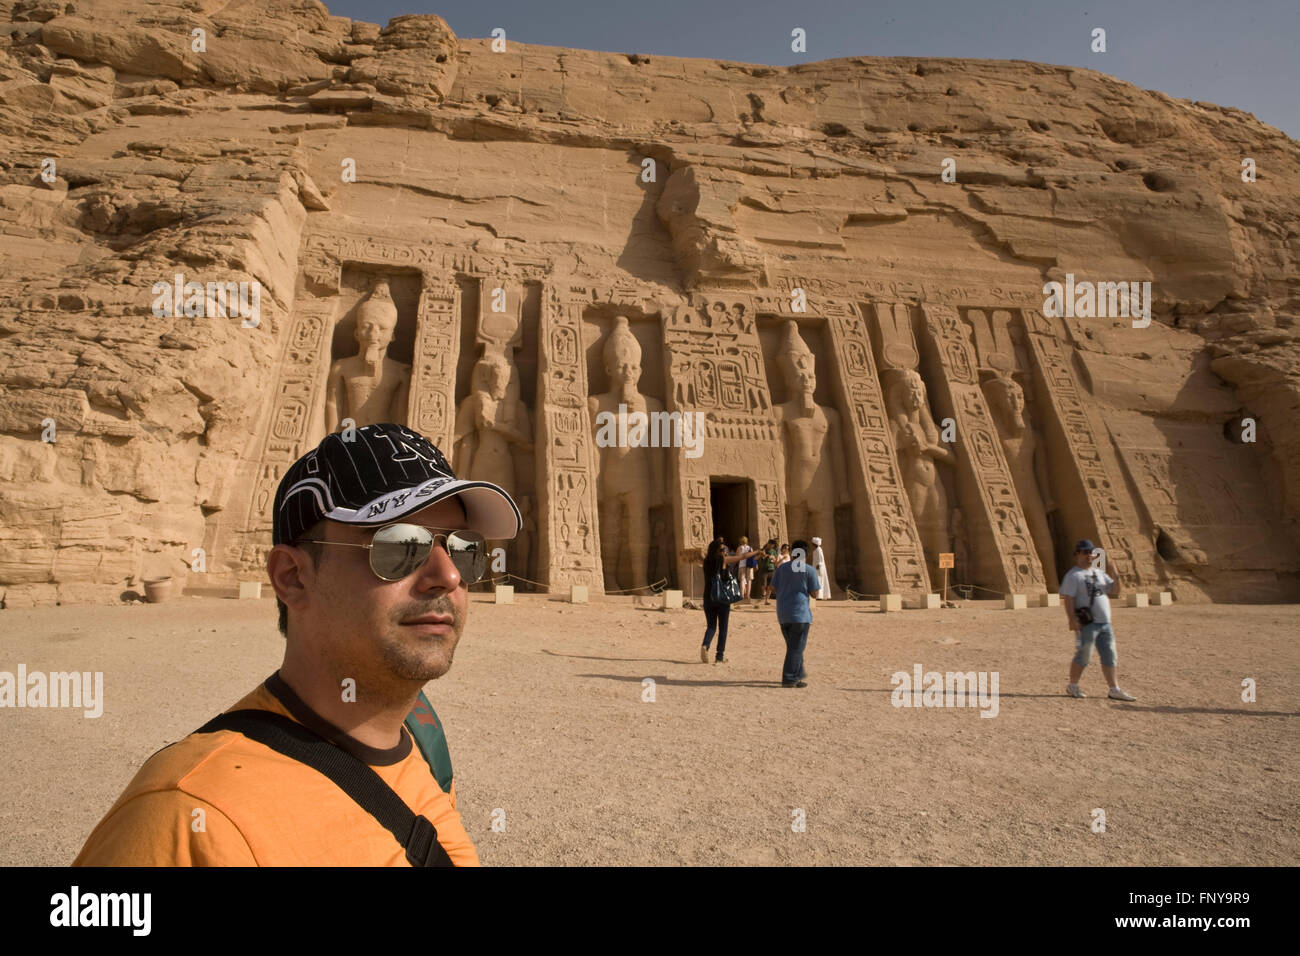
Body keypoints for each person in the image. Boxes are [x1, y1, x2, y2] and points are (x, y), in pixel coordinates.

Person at [74, 423, 521, 866]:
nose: (448, 576)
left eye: (464, 548)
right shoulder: (190, 816)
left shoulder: (422, 741)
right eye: (400, 545)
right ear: (292, 577)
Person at [1059, 538, 1136, 701]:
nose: (1089, 555)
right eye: (1085, 552)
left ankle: (1114, 688)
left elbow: (1115, 590)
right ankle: (1073, 685)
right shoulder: (1073, 575)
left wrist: (1115, 573)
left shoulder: (1099, 573)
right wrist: (1071, 619)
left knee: (1109, 655)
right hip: (1087, 622)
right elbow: (1069, 598)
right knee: (1084, 655)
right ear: (1077, 554)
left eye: (1091, 553)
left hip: (1105, 622)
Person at [771, 539, 821, 688]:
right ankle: (790, 678)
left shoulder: (781, 569)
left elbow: (773, 588)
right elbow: (814, 594)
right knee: (796, 648)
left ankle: (798, 673)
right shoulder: (809, 570)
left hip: (783, 613)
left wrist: (786, 589)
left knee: (794, 647)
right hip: (800, 614)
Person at [700, 538, 751, 664]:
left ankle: (705, 645)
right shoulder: (722, 560)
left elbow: (699, 555)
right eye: (723, 549)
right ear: (718, 551)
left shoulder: (706, 561)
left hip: (708, 597)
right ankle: (719, 656)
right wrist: (757, 552)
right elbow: (742, 557)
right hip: (722, 598)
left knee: (711, 626)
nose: (725, 551)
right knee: (723, 628)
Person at [757, 538, 778, 606]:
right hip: (764, 569)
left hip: (771, 569)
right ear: (768, 543)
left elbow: (775, 561)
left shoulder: (774, 551)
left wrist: (773, 559)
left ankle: (766, 600)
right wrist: (765, 555)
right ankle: (763, 595)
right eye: (770, 544)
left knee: (770, 586)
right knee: (764, 584)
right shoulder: (763, 550)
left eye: (773, 545)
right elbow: (759, 558)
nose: (771, 546)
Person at [810, 536, 830, 600]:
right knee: (817, 581)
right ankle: (819, 595)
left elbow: (821, 559)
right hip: (816, 567)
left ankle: (820, 596)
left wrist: (819, 565)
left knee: (819, 581)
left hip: (818, 568)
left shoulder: (819, 550)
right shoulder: (816, 550)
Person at [736, 536, 755, 601]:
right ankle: (748, 595)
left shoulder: (740, 548)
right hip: (749, 565)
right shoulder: (750, 548)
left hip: (742, 565)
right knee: (749, 580)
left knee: (742, 580)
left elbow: (737, 556)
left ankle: (742, 596)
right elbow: (753, 556)